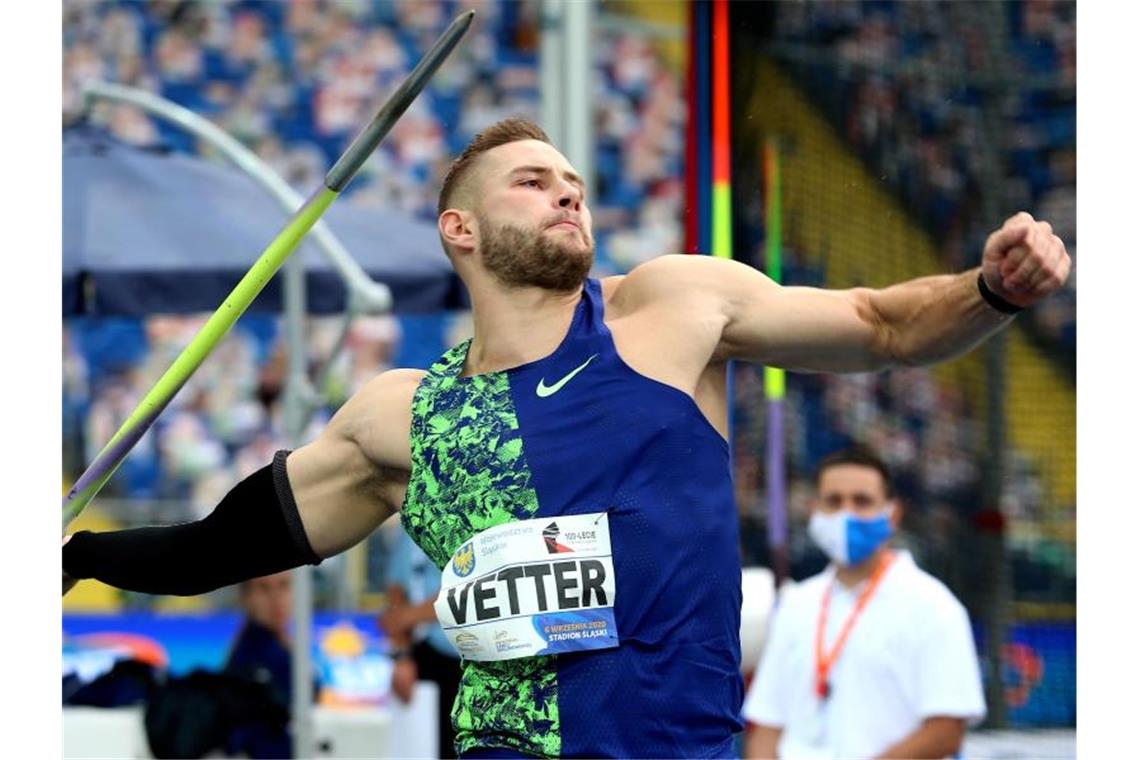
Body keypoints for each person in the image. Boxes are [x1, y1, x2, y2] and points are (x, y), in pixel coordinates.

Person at [63, 116, 1070, 758]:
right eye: (534, 181)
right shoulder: (403, 414)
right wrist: (72, 556)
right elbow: (222, 546)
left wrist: (990, 290)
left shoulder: (674, 314)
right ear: (461, 231)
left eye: (575, 181)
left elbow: (884, 325)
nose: (568, 192)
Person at [743, 447, 986, 760]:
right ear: (813, 509)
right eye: (834, 501)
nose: (847, 513)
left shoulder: (934, 607)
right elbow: (766, 724)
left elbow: (946, 729)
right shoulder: (797, 604)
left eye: (862, 501)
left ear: (893, 513)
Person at [380, 526, 463, 759]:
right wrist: (401, 657)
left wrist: (409, 616)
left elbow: (469, 589)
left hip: (480, 657)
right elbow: (396, 591)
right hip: (429, 654)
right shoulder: (411, 524)